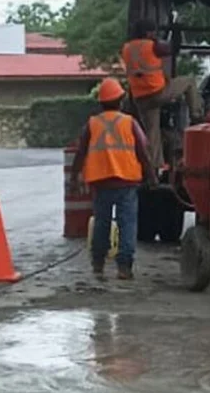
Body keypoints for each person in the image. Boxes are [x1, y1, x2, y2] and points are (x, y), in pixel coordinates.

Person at [71, 78, 153, 281]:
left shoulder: (92, 124)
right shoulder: (129, 122)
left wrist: (74, 177)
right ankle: (124, 268)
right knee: (127, 224)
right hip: (126, 181)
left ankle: (98, 264)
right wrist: (151, 176)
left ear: (100, 102)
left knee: (102, 223)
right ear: (121, 100)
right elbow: (143, 151)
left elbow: (80, 153)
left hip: (101, 182)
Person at [120, 19, 203, 169]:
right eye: (153, 32)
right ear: (147, 33)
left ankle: (156, 167)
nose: (155, 34)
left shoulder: (126, 48)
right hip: (158, 92)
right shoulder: (152, 46)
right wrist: (176, 31)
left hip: (141, 99)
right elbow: (173, 49)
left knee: (152, 134)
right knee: (189, 82)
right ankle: (197, 115)